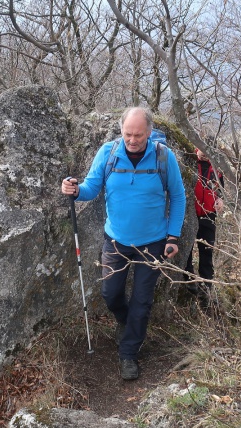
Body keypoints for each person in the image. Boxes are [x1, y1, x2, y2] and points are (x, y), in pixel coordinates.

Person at [61, 107, 186, 381]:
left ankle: (128, 353)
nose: (132, 140)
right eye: (128, 134)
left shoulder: (164, 157)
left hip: (153, 244)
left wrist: (173, 237)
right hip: (116, 241)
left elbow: (178, 196)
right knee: (110, 293)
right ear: (121, 130)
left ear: (149, 132)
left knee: (142, 301)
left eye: (138, 135)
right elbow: (92, 187)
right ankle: (125, 321)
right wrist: (76, 190)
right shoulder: (108, 153)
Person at [184, 140, 224, 312]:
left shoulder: (217, 167)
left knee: (206, 252)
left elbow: (221, 189)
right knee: (187, 248)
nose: (204, 154)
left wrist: (220, 199)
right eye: (202, 150)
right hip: (190, 212)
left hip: (209, 214)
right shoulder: (189, 160)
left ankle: (207, 290)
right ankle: (189, 281)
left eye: (208, 151)